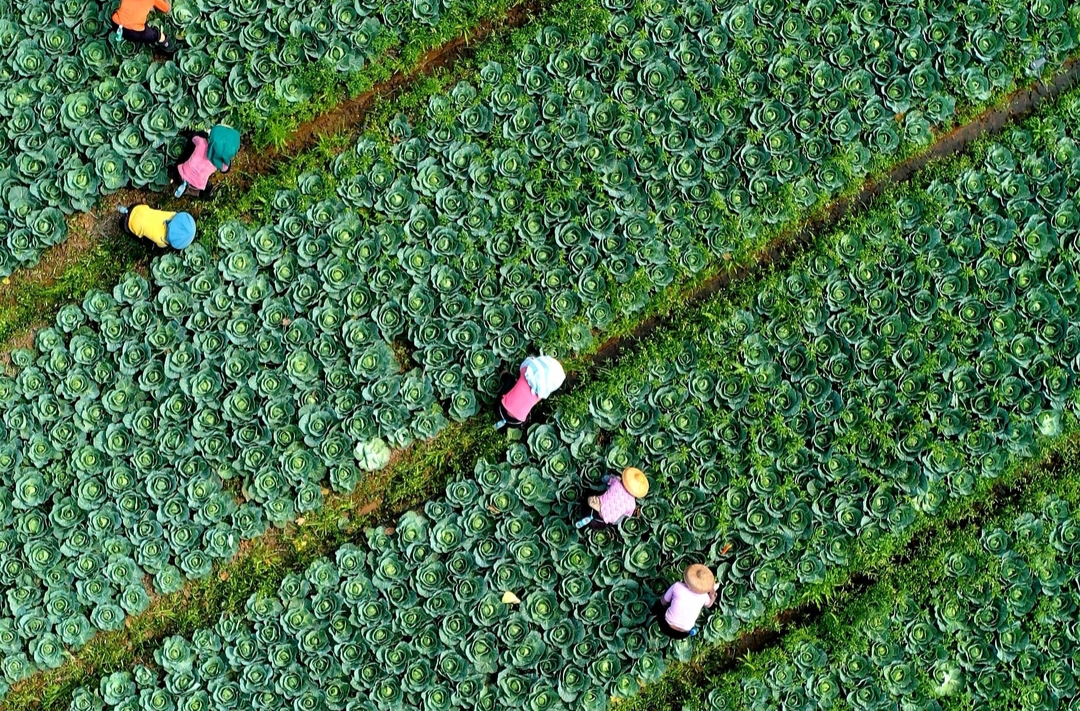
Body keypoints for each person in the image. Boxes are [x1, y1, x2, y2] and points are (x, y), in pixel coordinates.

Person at [494, 355, 565, 429]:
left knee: (510, 380)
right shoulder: (541, 394)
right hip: (516, 422)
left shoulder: (525, 371)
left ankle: (502, 372)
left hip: (500, 408)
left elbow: (525, 363)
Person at [171, 125, 241, 198]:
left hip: (181, 174)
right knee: (207, 189)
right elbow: (226, 170)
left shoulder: (202, 143)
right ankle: (199, 193)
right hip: (197, 185)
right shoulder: (220, 163)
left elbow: (194, 138)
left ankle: (178, 181)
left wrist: (203, 134)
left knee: (184, 158)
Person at [655, 564, 718, 639]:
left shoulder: (677, 586)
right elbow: (709, 605)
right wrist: (712, 593)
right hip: (683, 634)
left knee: (660, 604)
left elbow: (664, 602)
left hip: (665, 625)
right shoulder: (704, 596)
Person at [574, 467, 648, 529]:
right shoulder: (632, 505)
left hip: (598, 503)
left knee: (597, 491)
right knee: (617, 520)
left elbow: (605, 478)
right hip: (604, 520)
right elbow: (626, 515)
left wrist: (605, 477)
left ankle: (592, 510)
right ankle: (594, 517)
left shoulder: (617, 482)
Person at [111, 0, 177, 54]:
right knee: (159, 35)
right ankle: (170, 46)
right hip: (133, 32)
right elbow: (167, 9)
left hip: (116, 23)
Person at [117, 205, 196, 250]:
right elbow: (159, 245)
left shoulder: (171, 215)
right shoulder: (162, 240)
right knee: (141, 239)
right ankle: (123, 217)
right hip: (131, 225)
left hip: (139, 208)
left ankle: (124, 210)